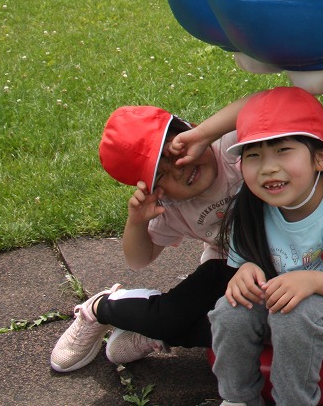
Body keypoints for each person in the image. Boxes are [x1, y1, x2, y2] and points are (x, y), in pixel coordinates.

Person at [209, 86, 323, 406]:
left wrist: (310, 280)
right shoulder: (251, 204)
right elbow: (244, 261)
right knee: (229, 311)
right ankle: (238, 399)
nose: (268, 167)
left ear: (320, 157)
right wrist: (246, 271)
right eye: (254, 155)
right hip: (282, 304)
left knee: (294, 315)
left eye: (282, 150)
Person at [49, 97, 249, 374]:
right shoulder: (173, 208)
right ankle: (101, 309)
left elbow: (272, 101)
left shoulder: (229, 147)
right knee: (190, 321)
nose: (179, 170)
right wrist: (136, 222)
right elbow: (139, 259)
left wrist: (206, 133)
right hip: (225, 265)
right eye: (162, 176)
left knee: (252, 329)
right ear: (158, 191)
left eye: (174, 151)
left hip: (282, 255)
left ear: (188, 129)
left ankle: (153, 331)